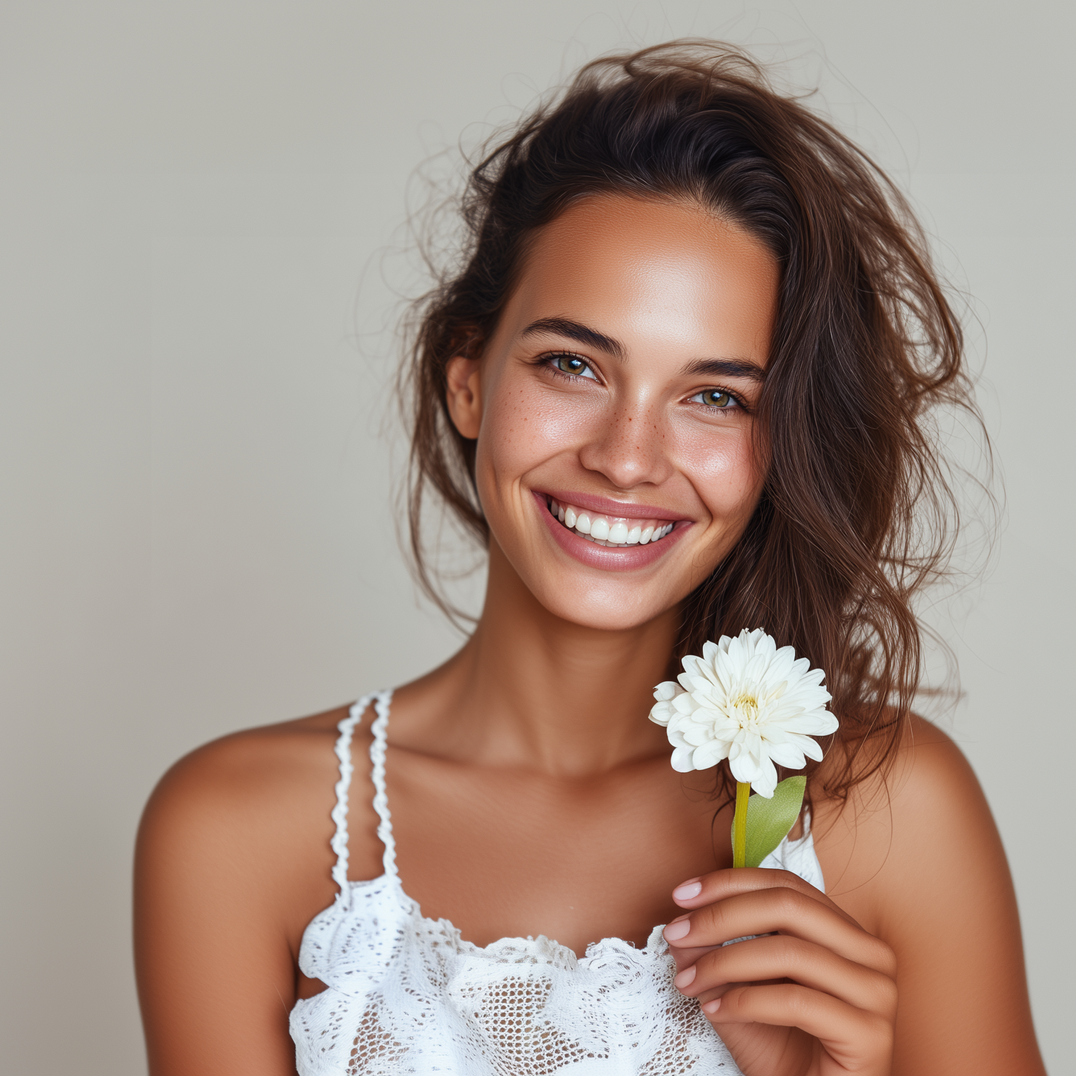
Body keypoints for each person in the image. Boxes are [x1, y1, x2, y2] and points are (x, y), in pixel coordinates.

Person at [133, 42, 1046, 1076]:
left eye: (715, 396)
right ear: (466, 379)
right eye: (571, 364)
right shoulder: (234, 829)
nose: (624, 456)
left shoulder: (889, 811)